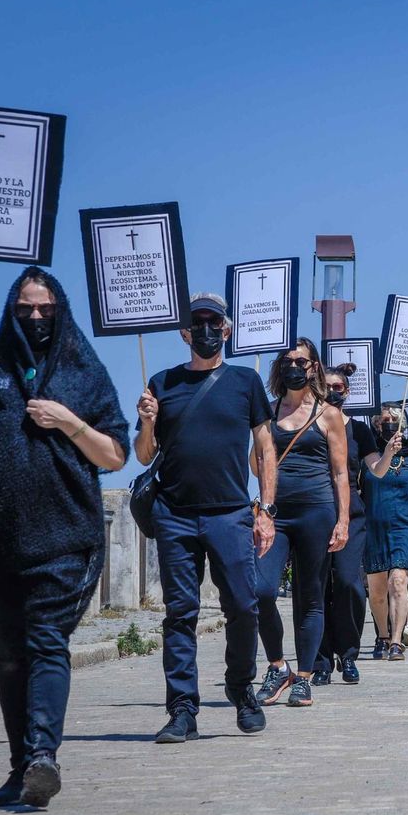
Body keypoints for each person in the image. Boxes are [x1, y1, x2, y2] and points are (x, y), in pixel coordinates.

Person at [0, 266, 129, 808]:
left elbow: (114, 454)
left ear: (60, 309)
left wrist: (69, 422)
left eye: (45, 308)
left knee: (45, 643)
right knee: (10, 656)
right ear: (10, 311)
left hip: (62, 535)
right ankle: (21, 767)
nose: (36, 317)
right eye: (26, 309)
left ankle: (44, 756)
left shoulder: (83, 373)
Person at [138, 294, 275, 744]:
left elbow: (265, 447)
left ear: (227, 329)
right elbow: (144, 454)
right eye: (196, 323)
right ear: (183, 332)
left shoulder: (245, 382)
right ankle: (182, 710)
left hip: (231, 513)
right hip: (174, 515)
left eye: (213, 321)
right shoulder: (161, 383)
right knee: (180, 614)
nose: (205, 329)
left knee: (243, 605)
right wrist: (145, 422)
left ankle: (241, 688)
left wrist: (266, 509)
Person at [251, 340, 350, 708]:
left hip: (317, 511)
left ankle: (304, 677)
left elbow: (340, 473)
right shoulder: (268, 410)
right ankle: (278, 666)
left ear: (314, 368)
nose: (294, 366)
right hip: (276, 513)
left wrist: (342, 520)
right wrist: (263, 503)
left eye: (301, 361)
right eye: (288, 360)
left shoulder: (329, 415)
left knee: (310, 596)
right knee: (260, 591)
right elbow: (256, 461)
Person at [309, 365, 384, 686]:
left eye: (338, 386)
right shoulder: (308, 426)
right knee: (318, 586)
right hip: (315, 509)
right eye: (327, 386)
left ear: (348, 391)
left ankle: (349, 653)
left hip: (351, 512)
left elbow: (376, 470)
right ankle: (321, 660)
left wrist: (389, 452)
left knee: (350, 583)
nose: (332, 391)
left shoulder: (360, 430)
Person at [364, 404, 408, 662]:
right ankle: (382, 635)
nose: (389, 424)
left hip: (406, 525)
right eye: (384, 420)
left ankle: (396, 641)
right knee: (377, 589)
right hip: (374, 526)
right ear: (376, 424)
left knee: (398, 581)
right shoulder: (368, 454)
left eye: (393, 420)